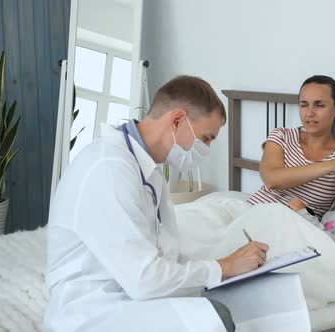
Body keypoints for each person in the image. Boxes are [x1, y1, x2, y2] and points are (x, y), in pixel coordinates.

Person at [45, 76, 269, 332]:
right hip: (92, 310)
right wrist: (222, 267)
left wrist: (224, 268)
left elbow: (166, 255)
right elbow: (144, 280)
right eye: (206, 139)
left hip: (127, 293)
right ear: (177, 120)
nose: (205, 150)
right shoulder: (109, 167)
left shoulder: (146, 170)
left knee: (232, 303)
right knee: (217, 317)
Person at [247, 75, 335, 267]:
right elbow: (272, 179)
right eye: (304, 105)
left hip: (291, 233)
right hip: (253, 215)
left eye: (319, 105)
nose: (309, 113)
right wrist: (331, 165)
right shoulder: (282, 135)